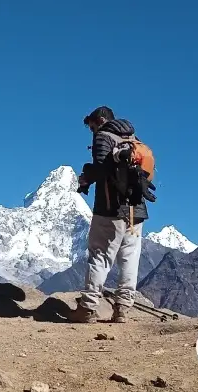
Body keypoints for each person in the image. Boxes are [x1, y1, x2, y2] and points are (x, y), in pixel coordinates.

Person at [66, 105, 149, 324]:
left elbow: (103, 170)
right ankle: (122, 309)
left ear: (100, 121)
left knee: (99, 255)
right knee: (129, 258)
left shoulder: (103, 137)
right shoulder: (133, 138)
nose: (92, 131)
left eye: (92, 126)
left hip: (110, 209)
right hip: (136, 209)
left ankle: (88, 308)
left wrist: (87, 176)